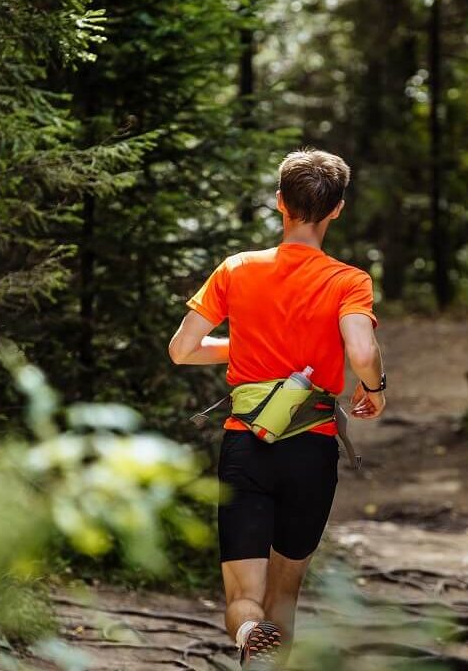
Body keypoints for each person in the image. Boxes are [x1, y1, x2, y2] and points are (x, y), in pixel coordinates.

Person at [168, 148, 387, 669]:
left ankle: (248, 633)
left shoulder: (237, 269)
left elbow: (182, 349)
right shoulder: (348, 280)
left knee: (245, 596)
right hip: (311, 452)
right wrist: (375, 390)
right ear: (337, 210)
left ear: (278, 203)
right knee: (285, 591)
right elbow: (361, 351)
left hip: (247, 444)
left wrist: (242, 345)